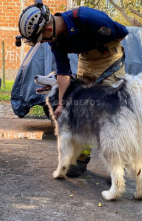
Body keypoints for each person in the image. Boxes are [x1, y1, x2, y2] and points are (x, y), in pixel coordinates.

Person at [18, 2, 128, 177]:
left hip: (109, 58)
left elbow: (122, 33)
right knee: (81, 109)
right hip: (85, 60)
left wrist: (101, 49)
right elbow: (63, 72)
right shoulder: (55, 39)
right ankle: (81, 158)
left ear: (47, 29)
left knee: (109, 114)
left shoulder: (87, 18)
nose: (44, 43)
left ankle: (117, 165)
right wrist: (61, 103)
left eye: (42, 40)